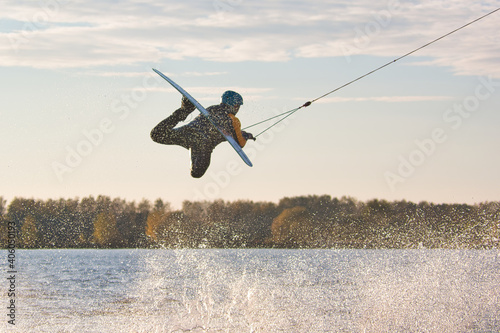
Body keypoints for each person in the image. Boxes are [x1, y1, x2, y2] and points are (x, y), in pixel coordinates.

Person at [150, 91, 255, 178]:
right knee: (196, 173)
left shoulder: (211, 109)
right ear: (235, 106)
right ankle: (184, 111)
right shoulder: (233, 120)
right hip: (203, 144)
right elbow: (240, 143)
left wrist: (239, 133)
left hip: (188, 134)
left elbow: (222, 132)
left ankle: (184, 110)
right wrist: (245, 136)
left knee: (156, 134)